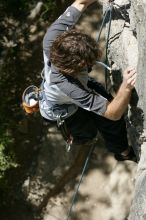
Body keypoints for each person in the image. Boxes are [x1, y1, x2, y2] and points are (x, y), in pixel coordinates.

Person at [39, 0, 137, 162]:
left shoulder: (53, 37)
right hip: (63, 110)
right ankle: (79, 138)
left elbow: (80, 3)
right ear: (74, 70)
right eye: (88, 64)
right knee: (89, 131)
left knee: (112, 122)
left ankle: (122, 152)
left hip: (71, 87)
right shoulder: (68, 86)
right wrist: (126, 87)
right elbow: (113, 113)